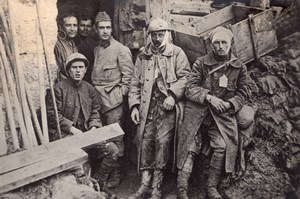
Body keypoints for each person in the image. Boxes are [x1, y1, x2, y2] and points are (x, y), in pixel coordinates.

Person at [176, 26, 254, 199]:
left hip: (221, 116)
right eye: (216, 43)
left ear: (230, 44)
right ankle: (182, 189)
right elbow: (190, 88)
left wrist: (230, 104)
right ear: (211, 45)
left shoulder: (239, 67)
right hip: (198, 112)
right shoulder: (200, 63)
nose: (220, 46)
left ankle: (211, 187)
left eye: (224, 42)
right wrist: (210, 98)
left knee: (223, 145)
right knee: (189, 145)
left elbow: (244, 92)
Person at [128, 17, 190, 199]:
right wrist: (134, 106)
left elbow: (186, 78)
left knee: (162, 143)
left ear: (167, 35)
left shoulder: (177, 53)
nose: (156, 39)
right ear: (149, 36)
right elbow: (134, 83)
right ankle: (144, 185)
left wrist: (173, 95)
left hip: (168, 108)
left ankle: (156, 187)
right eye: (153, 35)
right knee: (145, 141)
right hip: (148, 107)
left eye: (160, 35)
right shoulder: (142, 56)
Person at [46, 53, 119, 199]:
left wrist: (93, 127)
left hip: (86, 134)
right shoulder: (58, 89)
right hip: (65, 136)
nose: (78, 71)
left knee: (113, 150)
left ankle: (98, 184)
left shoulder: (89, 89)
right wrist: (72, 129)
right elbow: (52, 115)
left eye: (81, 67)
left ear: (85, 70)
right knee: (78, 162)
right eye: (74, 67)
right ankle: (87, 190)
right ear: (68, 70)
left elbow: (95, 111)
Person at [91, 11, 134, 192]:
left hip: (113, 103)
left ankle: (115, 174)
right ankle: (104, 171)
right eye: (102, 28)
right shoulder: (96, 49)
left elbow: (129, 78)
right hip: (97, 101)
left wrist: (118, 97)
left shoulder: (122, 50)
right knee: (101, 138)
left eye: (108, 27)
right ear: (96, 29)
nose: (105, 31)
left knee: (115, 138)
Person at [54, 13, 78, 81]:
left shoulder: (73, 44)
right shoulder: (57, 45)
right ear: (60, 27)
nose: (72, 29)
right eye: (68, 25)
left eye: (75, 25)